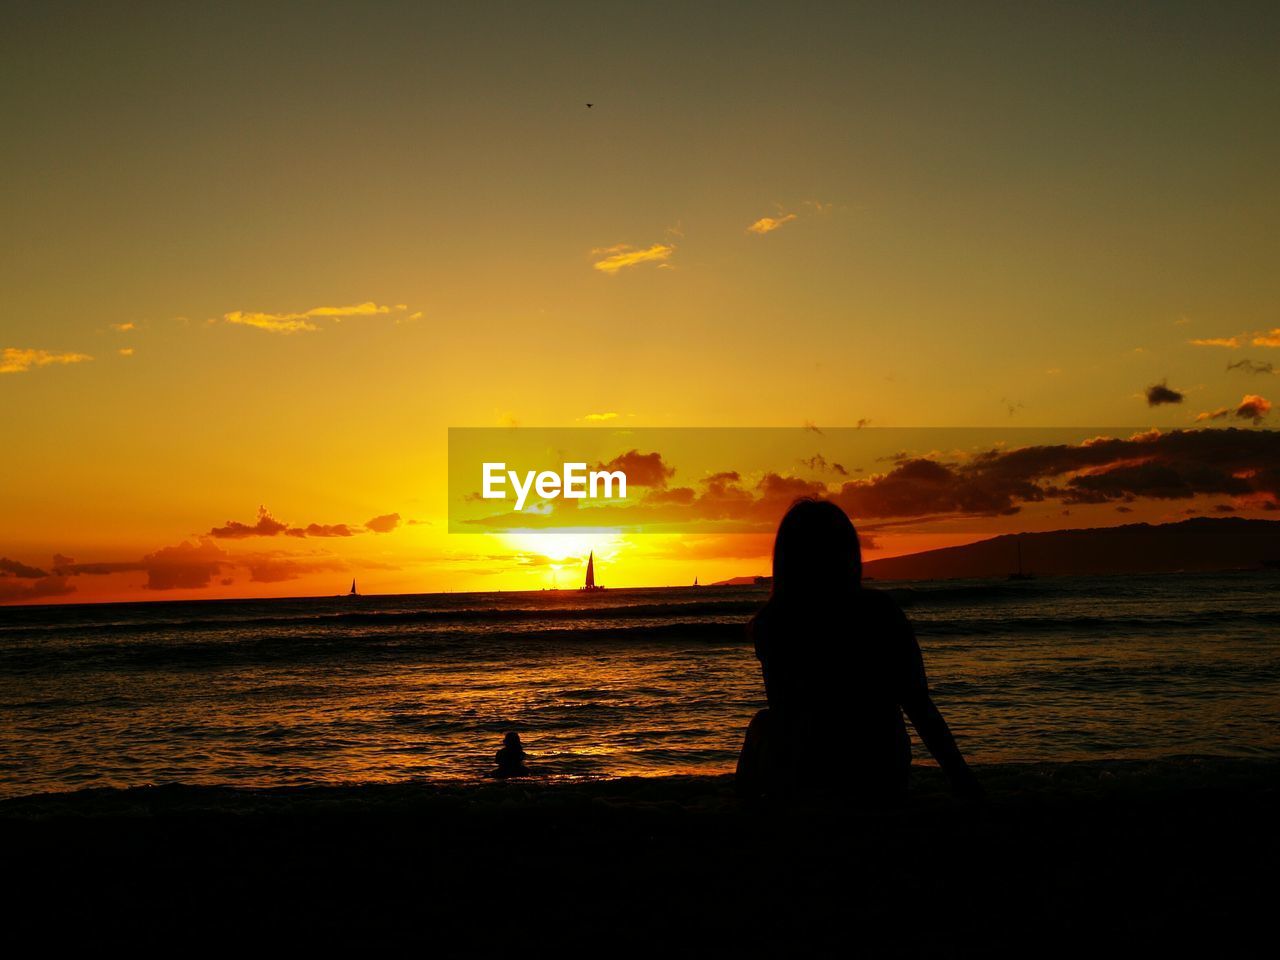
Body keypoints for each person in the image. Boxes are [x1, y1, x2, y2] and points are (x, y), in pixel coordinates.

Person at [737, 498, 981, 802]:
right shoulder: (879, 611)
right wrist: (961, 778)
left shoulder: (773, 622)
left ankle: (746, 817)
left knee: (764, 723)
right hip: (879, 766)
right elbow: (918, 704)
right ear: (848, 553)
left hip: (808, 771)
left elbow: (785, 711)